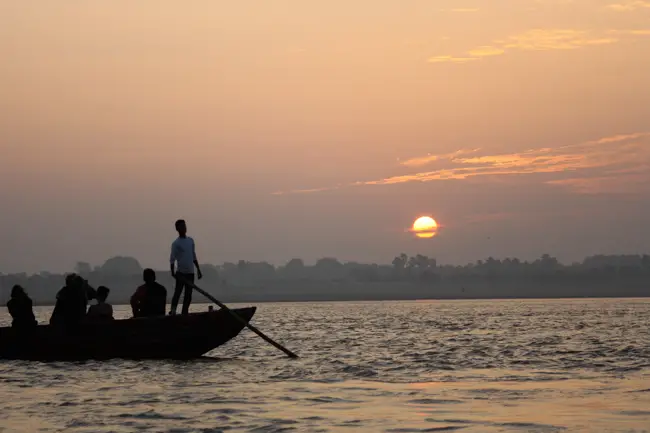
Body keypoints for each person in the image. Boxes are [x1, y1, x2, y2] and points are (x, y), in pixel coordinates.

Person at [169, 219, 202, 315]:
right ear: (177, 229)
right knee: (178, 293)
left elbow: (193, 255)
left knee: (188, 295)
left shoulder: (190, 240)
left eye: (185, 226)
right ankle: (173, 311)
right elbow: (172, 259)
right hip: (181, 273)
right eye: (182, 226)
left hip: (190, 273)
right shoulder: (176, 243)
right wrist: (172, 272)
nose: (184, 228)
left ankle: (185, 312)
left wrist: (198, 270)